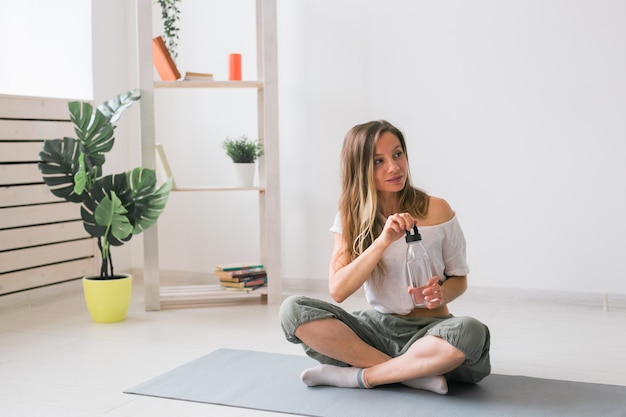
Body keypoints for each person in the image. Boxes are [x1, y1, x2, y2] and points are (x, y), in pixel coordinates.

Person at [279, 120, 491, 395]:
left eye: (398, 154)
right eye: (378, 161)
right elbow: (338, 290)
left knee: (471, 331)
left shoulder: (438, 210)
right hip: (375, 333)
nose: (394, 167)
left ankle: (361, 376)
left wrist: (441, 293)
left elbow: (459, 279)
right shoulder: (350, 218)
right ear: (360, 169)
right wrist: (381, 242)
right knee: (292, 310)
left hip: (432, 333)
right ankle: (413, 373)